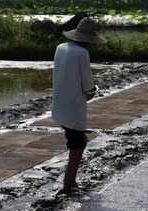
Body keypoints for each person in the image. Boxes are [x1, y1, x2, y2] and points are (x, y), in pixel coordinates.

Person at [52, 17, 104, 195]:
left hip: (59, 105)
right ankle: (68, 185)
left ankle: (70, 182)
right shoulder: (82, 54)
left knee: (75, 142)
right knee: (78, 145)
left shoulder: (61, 48)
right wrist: (92, 91)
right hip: (73, 107)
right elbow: (88, 85)